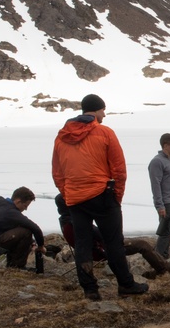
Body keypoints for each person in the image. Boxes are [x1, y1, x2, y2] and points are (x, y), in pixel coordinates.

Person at [52, 94, 148, 301]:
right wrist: (117, 196)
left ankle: (90, 290)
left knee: (83, 244)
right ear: (95, 111)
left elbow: (57, 172)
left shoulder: (62, 137)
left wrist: (68, 193)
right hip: (102, 195)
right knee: (113, 242)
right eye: (103, 110)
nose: (104, 114)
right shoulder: (104, 133)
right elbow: (119, 169)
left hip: (76, 199)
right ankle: (125, 284)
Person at [55, 194, 169, 276]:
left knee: (140, 243)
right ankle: (163, 269)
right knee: (143, 245)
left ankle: (163, 266)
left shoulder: (65, 221)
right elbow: (101, 234)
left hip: (96, 249)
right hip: (106, 249)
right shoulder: (75, 222)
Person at [0, 186, 45, 269]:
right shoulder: (10, 212)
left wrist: (32, 242)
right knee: (26, 232)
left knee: (21, 229)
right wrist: (40, 247)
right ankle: (17, 266)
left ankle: (13, 265)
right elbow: (35, 228)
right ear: (18, 201)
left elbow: (12, 229)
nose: (25, 209)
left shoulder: (3, 208)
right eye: (25, 206)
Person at [148, 133, 170, 258]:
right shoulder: (157, 161)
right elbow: (155, 186)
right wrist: (160, 205)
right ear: (165, 146)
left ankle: (164, 256)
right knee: (165, 232)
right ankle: (159, 258)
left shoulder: (168, 161)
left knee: (169, 232)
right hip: (167, 203)